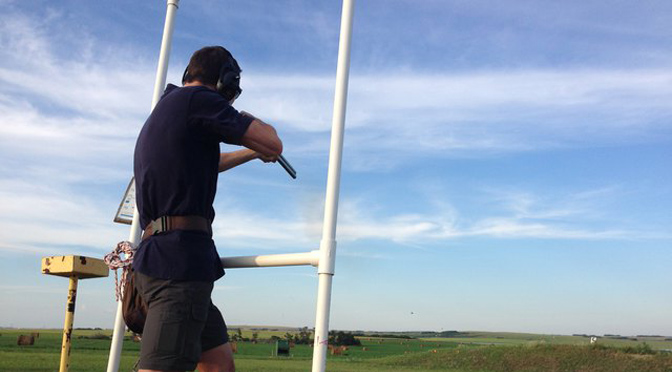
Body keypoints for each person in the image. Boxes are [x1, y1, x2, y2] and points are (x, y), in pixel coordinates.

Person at [132, 46, 282, 372]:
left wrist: (252, 154)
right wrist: (247, 125)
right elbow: (273, 141)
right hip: (178, 266)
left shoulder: (173, 107)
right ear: (225, 82)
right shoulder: (200, 100)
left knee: (218, 364)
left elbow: (211, 162)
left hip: (168, 260)